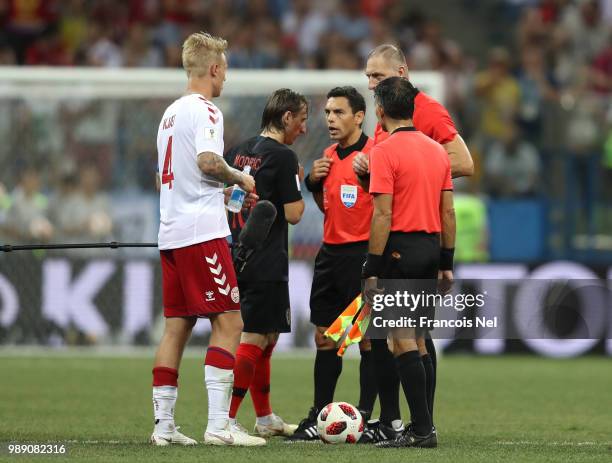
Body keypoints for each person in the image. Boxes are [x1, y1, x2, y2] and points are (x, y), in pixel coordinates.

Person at [151, 31, 265, 447]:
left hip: (171, 233)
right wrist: (239, 177)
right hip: (202, 234)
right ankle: (219, 426)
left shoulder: (169, 115)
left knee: (176, 328)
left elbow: (177, 175)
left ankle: (163, 427)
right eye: (225, 71)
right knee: (230, 322)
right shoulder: (207, 111)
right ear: (214, 68)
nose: (225, 79)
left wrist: (218, 192)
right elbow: (207, 160)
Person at [352, 43, 470, 443]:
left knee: (401, 336)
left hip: (399, 242)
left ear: (401, 75)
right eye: (367, 76)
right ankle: (403, 422)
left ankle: (420, 425)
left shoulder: (421, 119)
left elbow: (466, 163)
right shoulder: (428, 150)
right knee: (410, 336)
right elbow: (448, 210)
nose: (371, 84)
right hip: (430, 243)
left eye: (378, 77)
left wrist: (396, 171)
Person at [288, 86, 377, 442]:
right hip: (330, 257)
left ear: (359, 116)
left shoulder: (375, 154)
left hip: (364, 257)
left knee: (368, 340)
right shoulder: (326, 156)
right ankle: (318, 414)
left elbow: (389, 207)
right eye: (327, 113)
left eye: (339, 112)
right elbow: (331, 207)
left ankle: (368, 415)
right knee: (325, 339)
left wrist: (370, 176)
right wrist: (312, 183)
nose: (330, 119)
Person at [224, 89, 307, 437]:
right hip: (267, 259)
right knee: (256, 336)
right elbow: (295, 214)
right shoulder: (284, 157)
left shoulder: (238, 150)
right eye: (302, 120)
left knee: (268, 335)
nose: (303, 129)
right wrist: (298, 180)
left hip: (238, 253)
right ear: (287, 117)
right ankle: (226, 419)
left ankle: (264, 418)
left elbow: (228, 201)